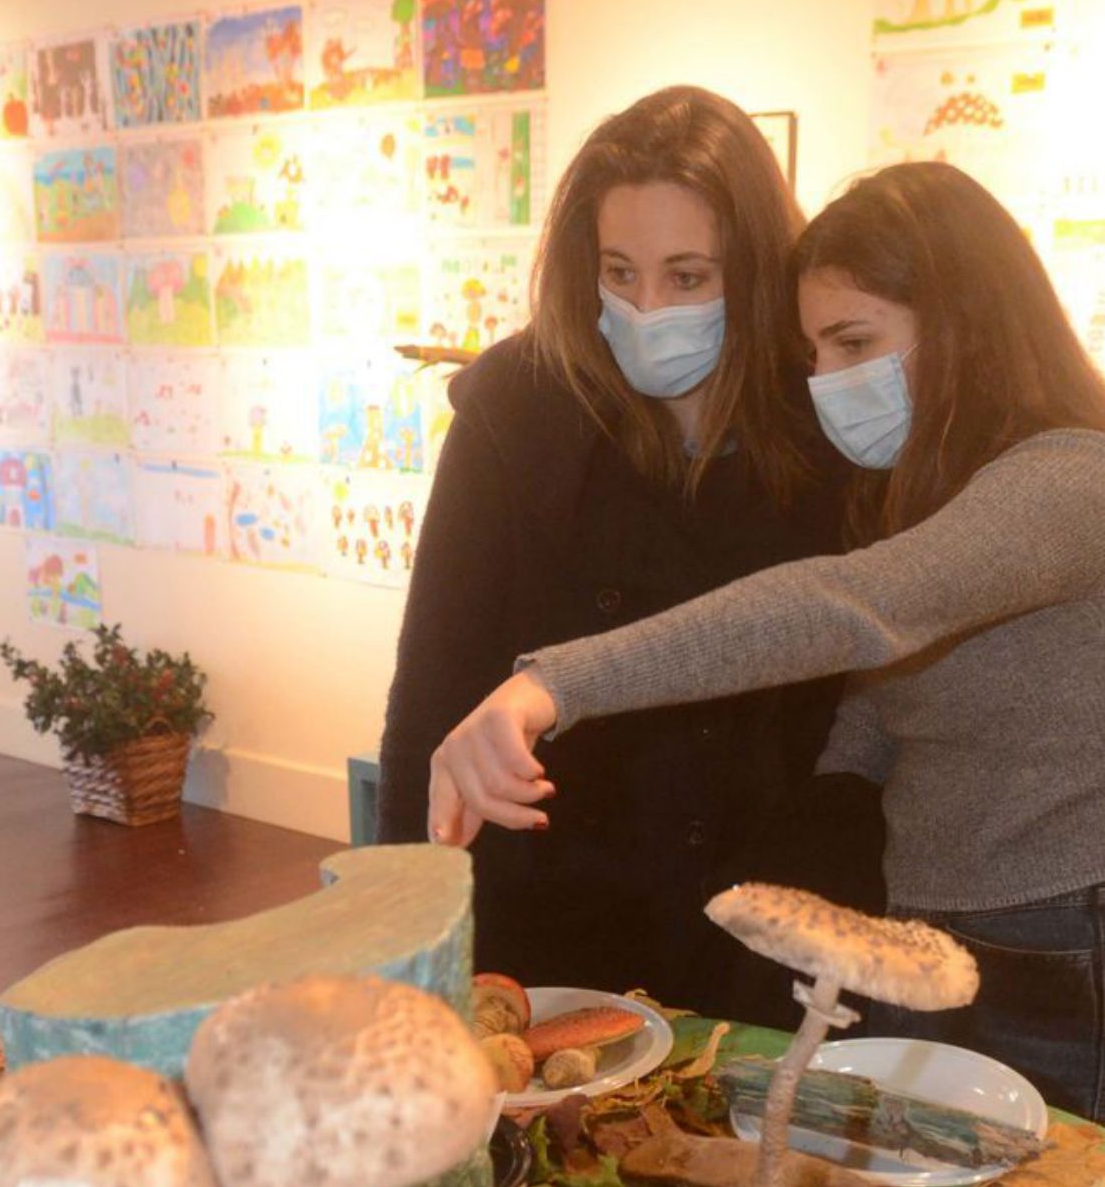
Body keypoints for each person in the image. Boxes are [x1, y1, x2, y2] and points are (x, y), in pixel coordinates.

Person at [427, 162, 1105, 1152]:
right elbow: (880, 707)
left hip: (1066, 947)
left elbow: (852, 607)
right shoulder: (941, 490)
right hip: (928, 936)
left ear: (968, 324)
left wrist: (555, 682)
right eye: (815, 351)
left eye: (855, 341)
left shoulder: (1077, 482)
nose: (830, 380)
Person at [376, 86, 884, 1023]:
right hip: (556, 891)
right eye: (620, 272)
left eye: (689, 277)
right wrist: (402, 939)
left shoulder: (821, 423)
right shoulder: (518, 411)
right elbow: (432, 690)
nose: (650, 307)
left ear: (758, 271)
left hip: (759, 909)